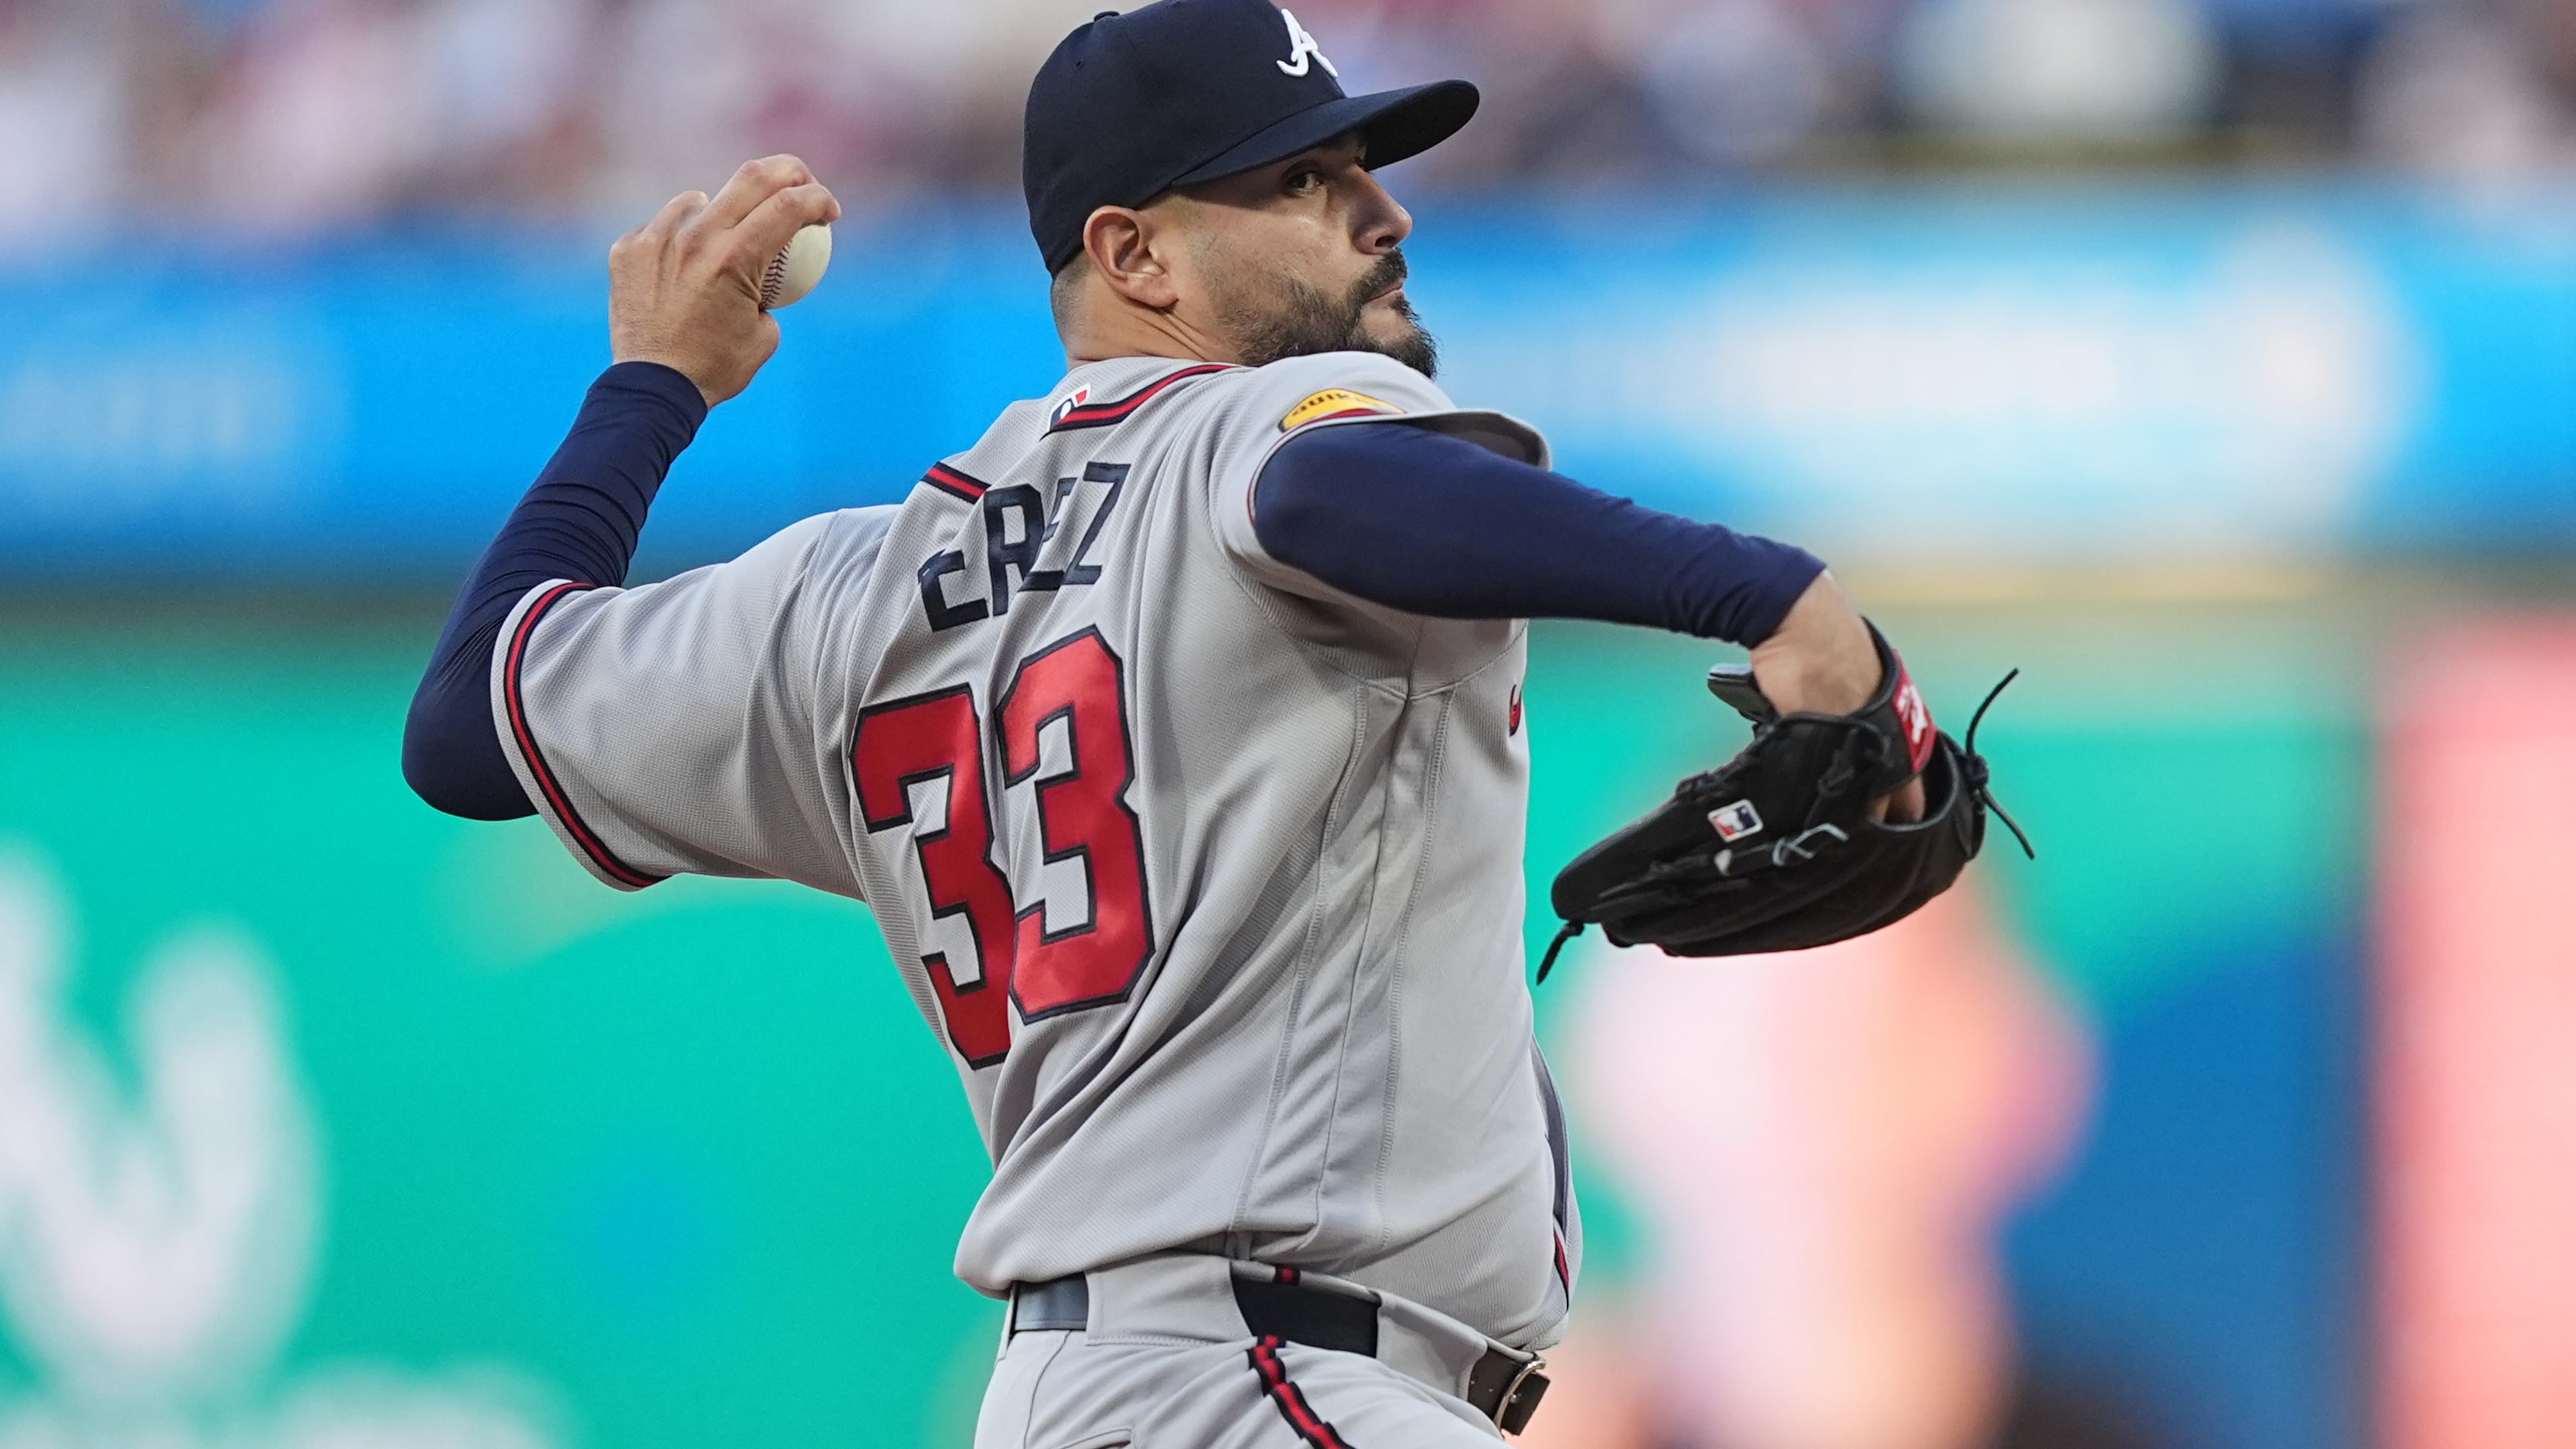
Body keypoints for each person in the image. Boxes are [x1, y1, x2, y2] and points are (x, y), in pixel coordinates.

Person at [402, 1, 1910, 1442]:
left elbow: (467, 726)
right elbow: (1333, 489)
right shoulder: (1253, 425)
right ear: (1135, 255)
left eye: (1366, 173)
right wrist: (1772, 596)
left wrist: (653, 387)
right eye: (1302, 182)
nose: (1380, 215)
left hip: (1117, 1386)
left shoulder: (843, 596)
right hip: (1267, 1372)